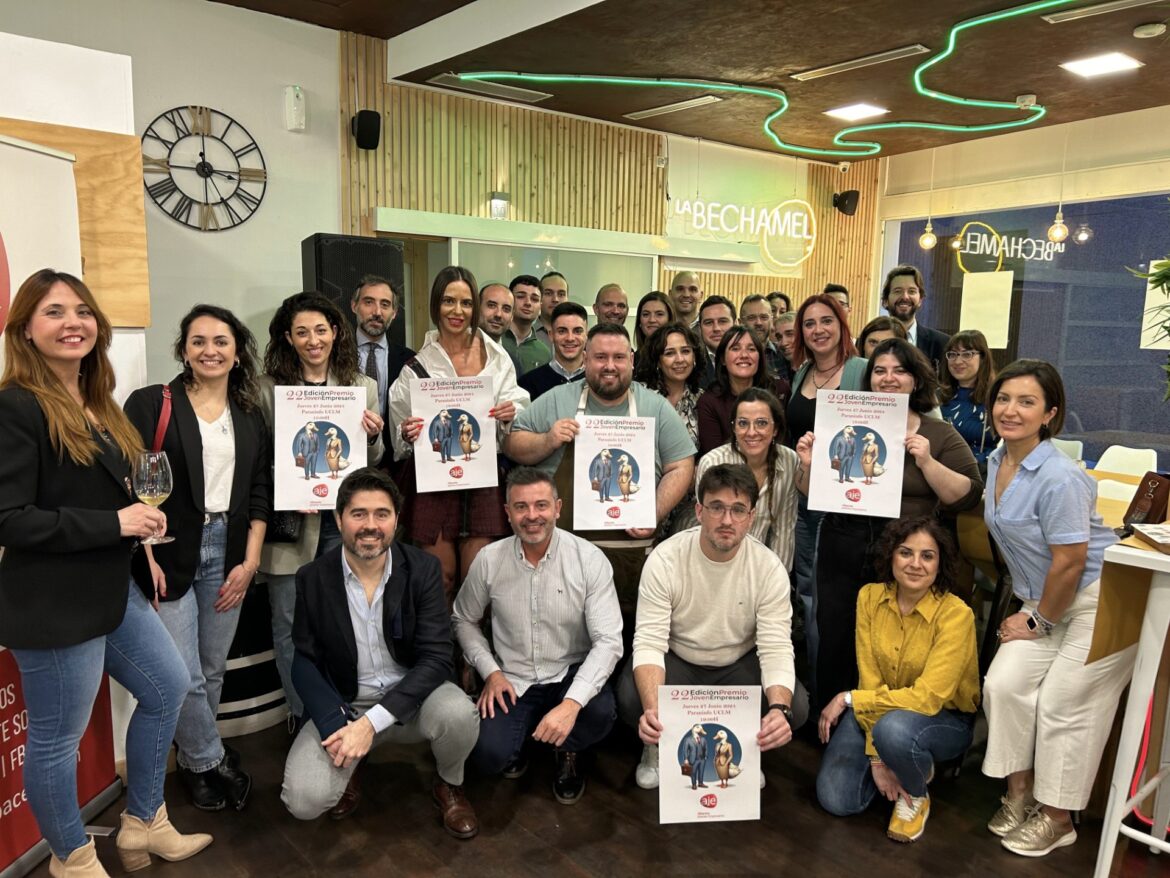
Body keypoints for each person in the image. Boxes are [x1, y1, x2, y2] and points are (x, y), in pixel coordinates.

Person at [0, 269, 210, 876]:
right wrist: (114, 525)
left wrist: (141, 542)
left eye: (83, 311)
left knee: (168, 687)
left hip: (112, 589)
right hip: (53, 603)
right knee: (55, 741)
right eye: (54, 312)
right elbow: (9, 519)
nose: (73, 323)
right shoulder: (14, 406)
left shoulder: (96, 402)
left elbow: (113, 494)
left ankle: (145, 823)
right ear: (26, 330)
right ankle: (72, 858)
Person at [981, 360, 1136, 857]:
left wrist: (1037, 620)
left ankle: (1058, 817)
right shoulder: (998, 460)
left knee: (1064, 703)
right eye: (1004, 399)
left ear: (1050, 414)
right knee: (1003, 685)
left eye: (1027, 402)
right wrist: (1038, 613)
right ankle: (1021, 794)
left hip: (1099, 600)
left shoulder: (1061, 476)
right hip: (1044, 600)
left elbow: (1070, 563)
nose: (1011, 410)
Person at [123, 304, 269, 813]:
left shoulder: (249, 413)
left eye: (221, 341)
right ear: (183, 350)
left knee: (211, 668)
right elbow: (130, 481)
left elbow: (259, 489)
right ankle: (210, 759)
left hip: (230, 549)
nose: (210, 350)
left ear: (237, 352)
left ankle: (192, 762)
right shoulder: (151, 403)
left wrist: (250, 562)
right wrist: (144, 555)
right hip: (167, 550)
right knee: (182, 674)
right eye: (199, 341)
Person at [280, 468, 481, 836]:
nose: (370, 525)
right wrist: (338, 727)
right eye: (359, 514)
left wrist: (370, 725)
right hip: (347, 704)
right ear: (339, 519)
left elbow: (437, 656)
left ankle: (449, 782)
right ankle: (352, 764)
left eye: (381, 514)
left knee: (460, 714)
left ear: (396, 520)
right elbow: (304, 662)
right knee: (304, 801)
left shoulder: (422, 569)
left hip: (413, 700)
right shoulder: (312, 577)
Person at [795, 338, 982, 707]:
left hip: (904, 552)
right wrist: (807, 464)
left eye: (900, 371)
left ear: (916, 380)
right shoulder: (843, 422)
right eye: (879, 371)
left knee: (891, 643)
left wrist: (927, 462)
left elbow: (969, 494)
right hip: (842, 543)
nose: (888, 378)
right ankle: (832, 720)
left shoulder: (937, 433)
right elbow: (808, 491)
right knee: (836, 636)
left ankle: (884, 718)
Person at [618, 463, 809, 789]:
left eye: (738, 510)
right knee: (631, 698)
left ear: (751, 516)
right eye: (716, 507)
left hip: (737, 663)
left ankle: (747, 750)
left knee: (796, 706)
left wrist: (780, 709)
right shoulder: (665, 559)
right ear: (699, 511)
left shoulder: (768, 568)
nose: (727, 520)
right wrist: (652, 710)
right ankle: (657, 746)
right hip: (679, 660)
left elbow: (776, 647)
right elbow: (649, 642)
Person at [453, 467, 622, 804]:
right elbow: (463, 619)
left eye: (541, 505)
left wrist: (572, 704)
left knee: (600, 713)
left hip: (568, 673)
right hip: (512, 679)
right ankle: (523, 740)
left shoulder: (589, 559)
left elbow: (608, 641)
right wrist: (490, 671)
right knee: (488, 755)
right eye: (521, 507)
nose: (532, 516)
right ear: (507, 512)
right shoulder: (489, 559)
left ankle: (566, 749)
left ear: (557, 508)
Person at [257, 292, 385, 724]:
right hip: (290, 526)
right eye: (302, 332)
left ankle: (339, 710)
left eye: (320, 330)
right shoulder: (266, 389)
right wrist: (292, 485)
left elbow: (374, 459)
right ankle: (302, 714)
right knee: (288, 623)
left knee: (340, 620)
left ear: (335, 332)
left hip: (341, 524)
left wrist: (372, 435)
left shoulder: (361, 387)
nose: (313, 340)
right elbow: (256, 458)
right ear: (288, 339)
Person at [505, 323, 695, 611]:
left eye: (618, 357)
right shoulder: (558, 399)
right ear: (585, 359)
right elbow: (512, 443)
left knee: (626, 626)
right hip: (564, 550)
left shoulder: (655, 406)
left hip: (630, 552)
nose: (610, 366)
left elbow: (681, 465)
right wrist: (547, 440)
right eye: (600, 357)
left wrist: (653, 512)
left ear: (631, 359)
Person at [816, 517, 979, 844]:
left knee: (894, 730)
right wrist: (878, 758)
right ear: (890, 555)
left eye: (927, 556)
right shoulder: (869, 597)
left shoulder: (956, 614)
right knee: (836, 799)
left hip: (942, 718)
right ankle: (900, 761)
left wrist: (849, 699)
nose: (915, 564)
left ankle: (916, 792)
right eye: (906, 553)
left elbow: (927, 699)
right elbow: (870, 679)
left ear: (940, 564)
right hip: (878, 708)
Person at [390, 266, 529, 605]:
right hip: (434, 480)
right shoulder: (417, 366)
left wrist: (511, 412)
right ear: (436, 305)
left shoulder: (497, 358)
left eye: (466, 303)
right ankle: (439, 640)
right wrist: (407, 432)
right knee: (442, 577)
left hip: (483, 477)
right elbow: (398, 436)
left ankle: (471, 642)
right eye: (448, 301)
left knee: (476, 578)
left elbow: (519, 408)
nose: (457, 311)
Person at [785, 293, 868, 699]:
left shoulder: (861, 371)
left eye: (826, 321)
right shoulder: (801, 374)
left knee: (836, 606)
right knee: (808, 597)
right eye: (809, 323)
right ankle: (819, 694)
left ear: (842, 325)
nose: (818, 330)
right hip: (805, 502)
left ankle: (839, 697)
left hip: (846, 509)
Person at [695, 388, 799, 570]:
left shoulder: (789, 460)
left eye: (761, 423)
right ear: (734, 428)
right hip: (714, 564)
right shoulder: (712, 463)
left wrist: (778, 578)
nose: (751, 432)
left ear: (775, 429)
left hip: (759, 565)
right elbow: (707, 531)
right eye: (743, 423)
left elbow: (783, 531)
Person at [631, 321, 704, 538]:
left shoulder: (702, 400)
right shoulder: (638, 397)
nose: (680, 359)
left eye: (686, 351)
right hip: (639, 497)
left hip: (687, 505)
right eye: (670, 353)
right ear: (657, 360)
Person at [697, 325, 786, 456]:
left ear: (760, 357)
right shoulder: (709, 402)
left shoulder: (779, 390)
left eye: (751, 349)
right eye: (735, 349)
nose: (744, 355)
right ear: (722, 359)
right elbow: (714, 456)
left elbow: (784, 442)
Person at [351, 275, 414, 438]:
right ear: (354, 306)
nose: (377, 312)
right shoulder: (333, 355)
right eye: (368, 302)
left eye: (385, 305)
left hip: (393, 449)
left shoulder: (410, 360)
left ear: (394, 313)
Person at [939, 330, 997, 473]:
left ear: (983, 358)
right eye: (953, 354)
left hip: (982, 473)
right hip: (938, 471)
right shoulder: (936, 398)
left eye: (967, 354)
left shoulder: (997, 399)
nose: (958, 361)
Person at [881, 265, 949, 370]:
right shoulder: (869, 341)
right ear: (885, 300)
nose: (905, 296)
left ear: (920, 300)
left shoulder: (942, 343)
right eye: (898, 291)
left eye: (912, 291)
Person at [519, 301, 587, 400]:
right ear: (551, 335)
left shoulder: (599, 382)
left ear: (586, 335)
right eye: (562, 331)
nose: (570, 338)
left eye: (577, 331)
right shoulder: (527, 384)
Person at [502, 274, 551, 375]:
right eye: (520, 296)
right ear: (509, 301)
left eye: (535, 299)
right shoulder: (494, 340)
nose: (528, 303)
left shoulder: (544, 353)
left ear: (540, 306)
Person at [478, 282, 525, 376]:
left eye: (506, 309)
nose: (498, 314)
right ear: (477, 308)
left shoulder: (513, 364)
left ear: (512, 316)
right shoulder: (454, 353)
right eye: (491, 305)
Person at [696, 295, 736, 388]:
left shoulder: (750, 360)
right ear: (700, 328)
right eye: (709, 322)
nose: (716, 328)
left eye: (722, 321)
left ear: (735, 324)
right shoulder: (692, 365)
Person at [633, 291, 673, 365]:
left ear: (670, 319)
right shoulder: (632, 360)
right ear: (639, 322)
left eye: (659, 314)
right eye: (646, 314)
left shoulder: (681, 357)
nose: (652, 320)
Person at [536, 270, 570, 347]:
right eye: (548, 293)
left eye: (561, 294)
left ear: (567, 298)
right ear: (539, 298)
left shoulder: (578, 336)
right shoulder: (528, 334)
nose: (555, 299)